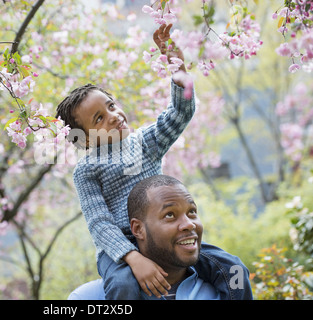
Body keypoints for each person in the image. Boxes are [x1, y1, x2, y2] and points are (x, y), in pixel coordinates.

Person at [56, 23, 248, 300]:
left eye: (111, 105)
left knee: (234, 270)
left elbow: (181, 112)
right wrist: (132, 258)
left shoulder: (144, 142)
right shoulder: (86, 170)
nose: (113, 115)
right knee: (123, 287)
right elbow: (100, 223)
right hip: (120, 249)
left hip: (165, 234)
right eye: (99, 118)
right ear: (83, 139)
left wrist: (177, 67)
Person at [68, 175, 253, 300]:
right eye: (170, 215)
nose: (189, 223)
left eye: (192, 212)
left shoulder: (223, 287)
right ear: (138, 229)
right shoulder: (89, 297)